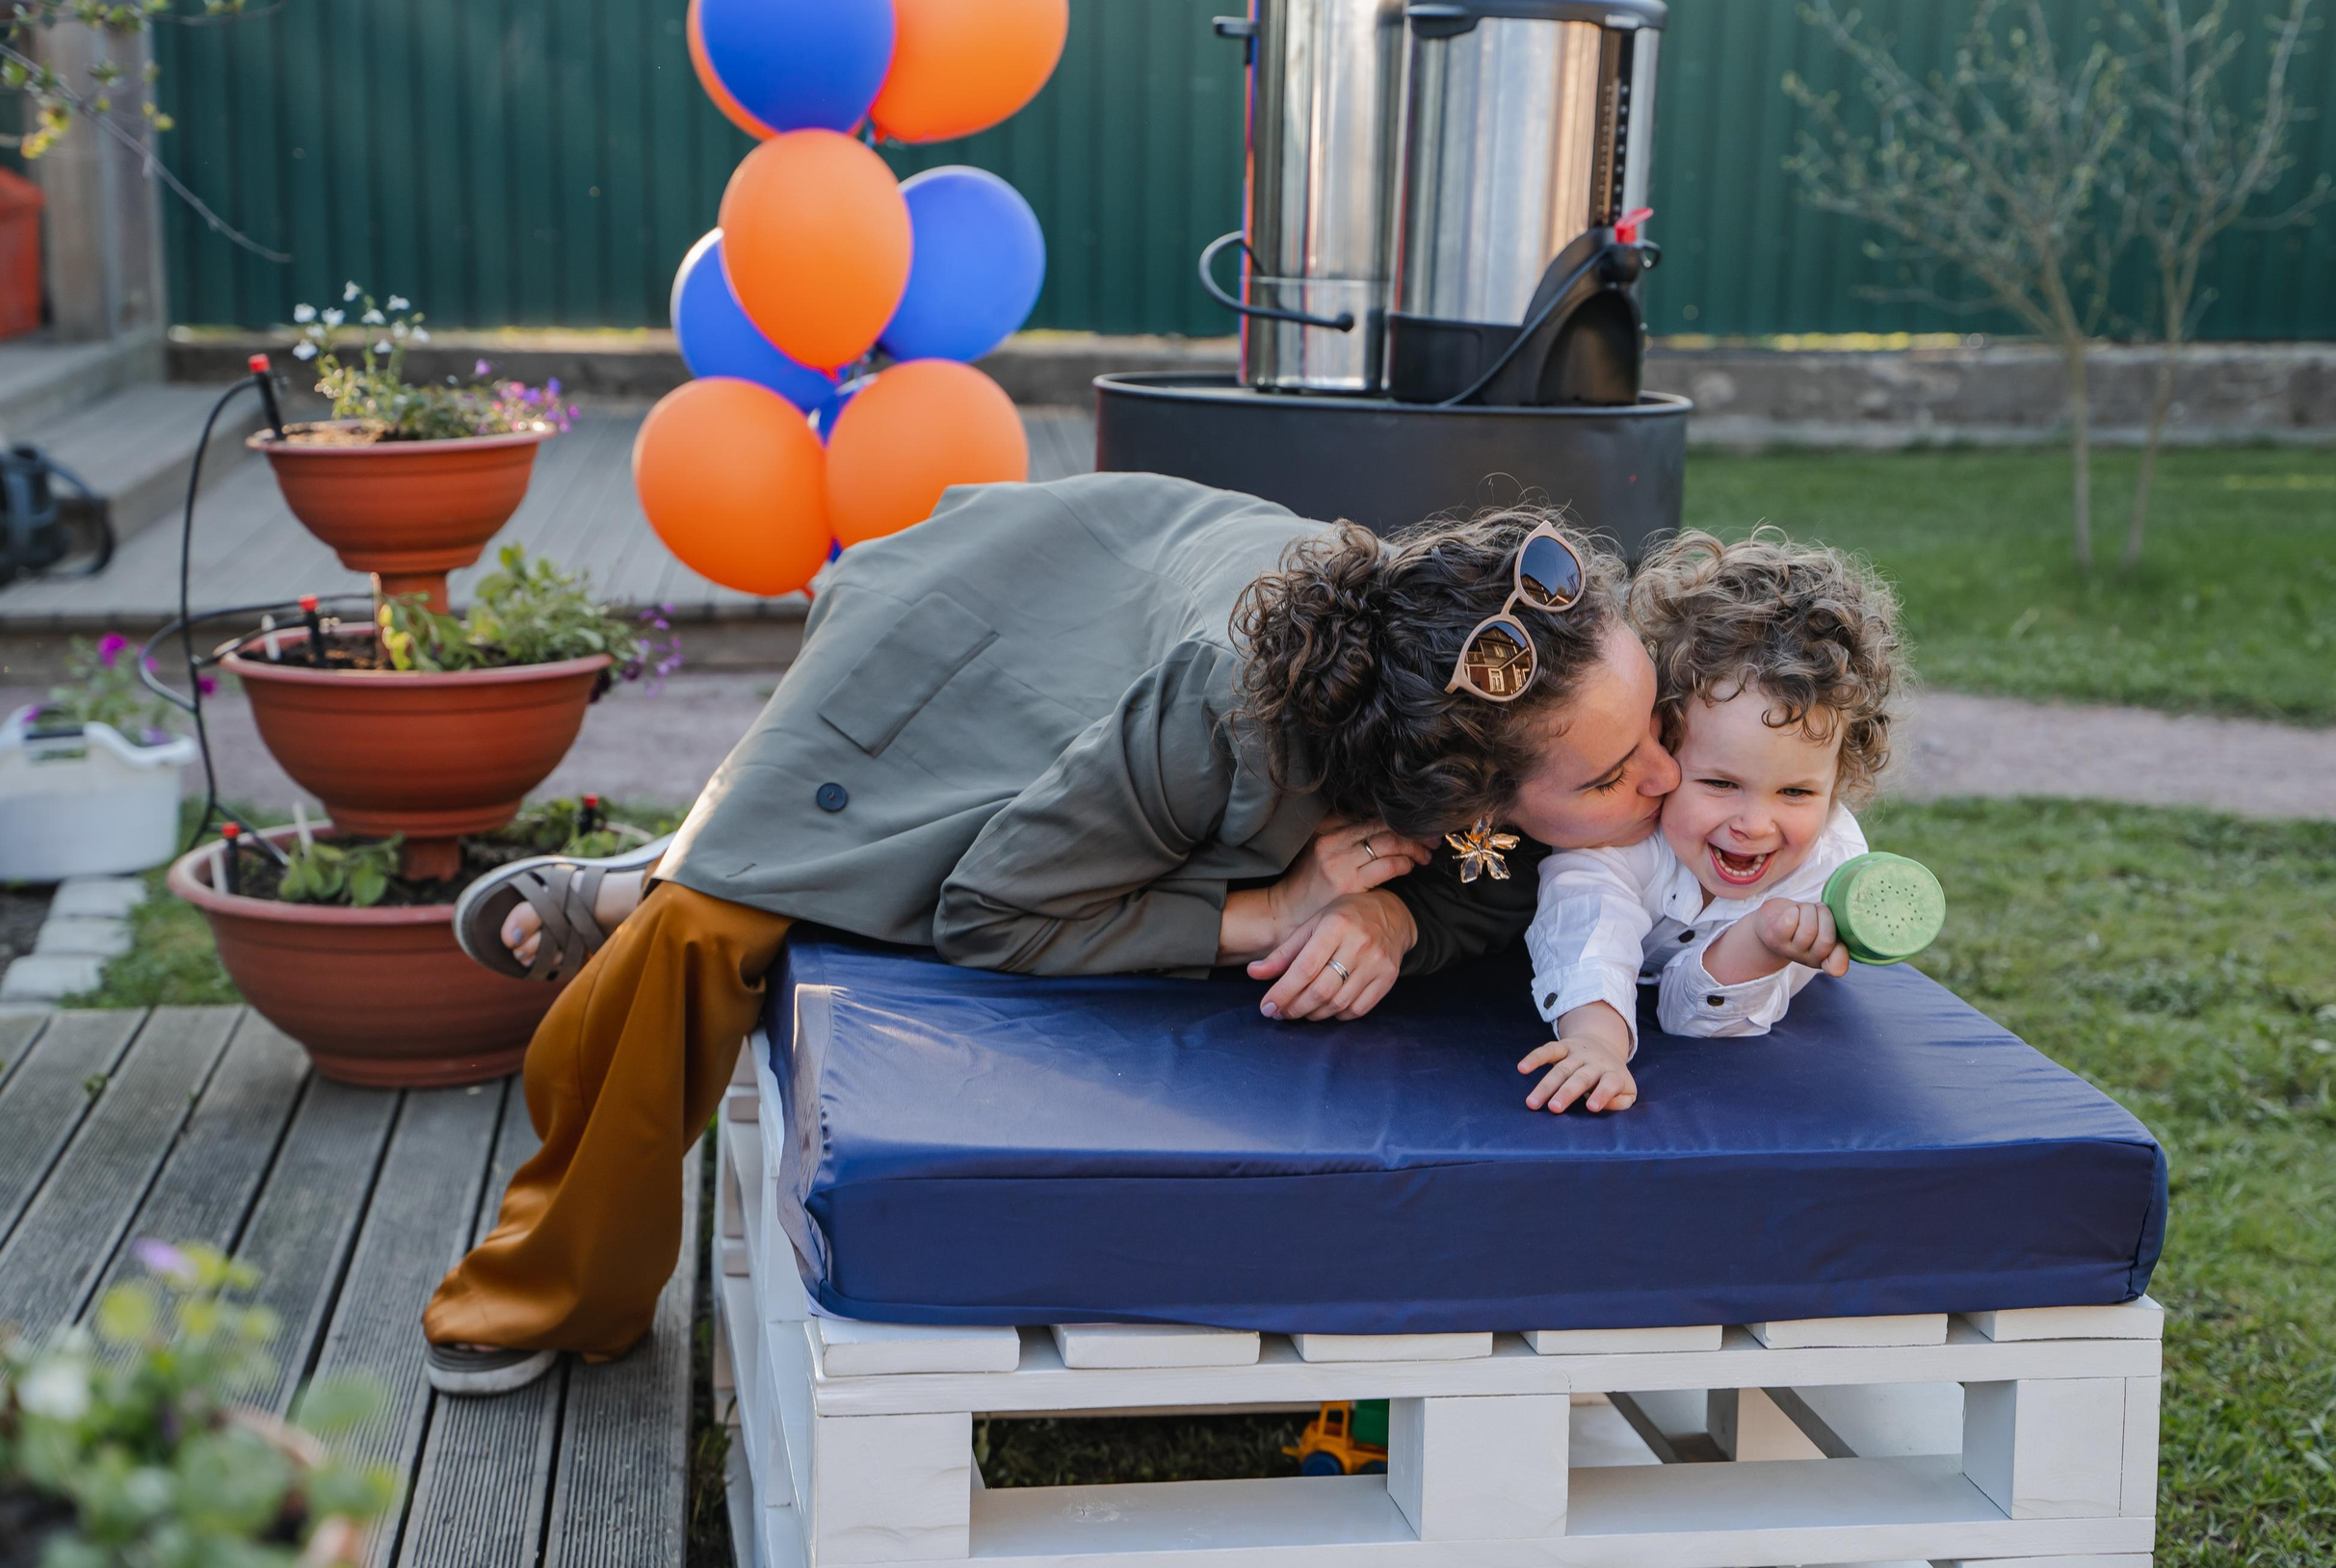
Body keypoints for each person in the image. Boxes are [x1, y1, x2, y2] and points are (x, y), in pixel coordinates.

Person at [423, 471, 1680, 1396]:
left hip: (1142, 617)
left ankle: (664, 866)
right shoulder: (1227, 719)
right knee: (713, 924)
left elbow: (1493, 880)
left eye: (1655, 732)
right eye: (1618, 771)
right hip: (985, 629)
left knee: (894, 866)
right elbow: (993, 907)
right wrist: (1271, 910)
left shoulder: (1499, 684)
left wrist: (1393, 912)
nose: (1665, 779)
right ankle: (552, 1262)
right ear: (1454, 782)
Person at [1517, 529, 1909, 1116]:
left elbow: (1693, 1020)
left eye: (1796, 792)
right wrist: (1596, 1042)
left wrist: (1758, 947)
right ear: (1664, 748)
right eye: (1721, 784)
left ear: (1838, 782)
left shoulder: (1829, 872)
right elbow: (1586, 927)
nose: (1754, 824)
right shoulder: (1622, 833)